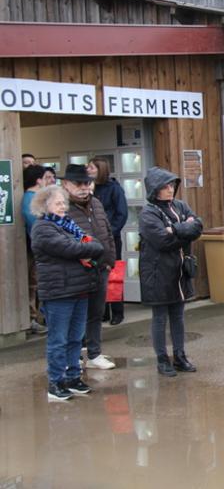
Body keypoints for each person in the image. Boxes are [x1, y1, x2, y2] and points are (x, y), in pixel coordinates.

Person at [30, 184, 105, 401]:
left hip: (79, 289)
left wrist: (88, 248)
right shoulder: (43, 228)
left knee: (75, 339)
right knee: (58, 340)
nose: (63, 206)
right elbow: (73, 249)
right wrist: (88, 248)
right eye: (57, 203)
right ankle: (56, 382)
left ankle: (73, 378)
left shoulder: (68, 226)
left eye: (64, 202)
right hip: (58, 292)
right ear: (45, 206)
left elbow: (93, 243)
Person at [139, 166, 203, 377]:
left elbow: (198, 226)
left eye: (172, 185)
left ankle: (180, 356)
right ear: (155, 189)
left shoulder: (180, 205)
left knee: (178, 316)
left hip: (179, 272)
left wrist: (174, 229)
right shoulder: (148, 213)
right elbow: (162, 241)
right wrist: (185, 230)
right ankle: (162, 359)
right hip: (158, 273)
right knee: (160, 318)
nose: (170, 189)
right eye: (165, 186)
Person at [61, 164, 117, 371]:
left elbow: (108, 232)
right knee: (74, 317)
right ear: (66, 184)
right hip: (76, 270)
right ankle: (73, 357)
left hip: (100, 268)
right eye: (79, 183)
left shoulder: (96, 203)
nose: (84, 187)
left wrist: (110, 260)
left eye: (87, 183)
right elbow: (61, 240)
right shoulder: (61, 207)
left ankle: (94, 354)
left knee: (96, 313)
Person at [87, 156, 129, 325]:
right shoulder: (88, 188)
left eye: (91, 167)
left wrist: (109, 233)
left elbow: (122, 214)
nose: (88, 170)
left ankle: (117, 311)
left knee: (114, 274)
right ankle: (102, 311)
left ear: (100, 169)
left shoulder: (114, 188)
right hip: (92, 240)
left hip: (111, 239)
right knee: (96, 273)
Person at [22, 165, 56, 335]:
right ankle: (36, 318)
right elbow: (38, 227)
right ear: (38, 180)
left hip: (41, 249)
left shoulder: (31, 198)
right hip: (42, 250)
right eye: (45, 178)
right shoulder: (31, 200)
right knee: (37, 285)